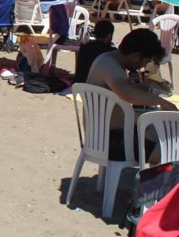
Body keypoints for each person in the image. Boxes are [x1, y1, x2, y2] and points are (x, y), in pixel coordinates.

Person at [86, 28, 177, 161]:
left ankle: (156, 179)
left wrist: (138, 89)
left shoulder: (109, 60)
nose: (142, 66)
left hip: (104, 136)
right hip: (110, 142)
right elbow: (127, 94)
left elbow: (122, 90)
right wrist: (163, 102)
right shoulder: (110, 65)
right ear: (136, 55)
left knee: (164, 132)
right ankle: (159, 180)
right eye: (145, 61)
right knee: (172, 152)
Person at [73, 19, 115, 84]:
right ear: (109, 35)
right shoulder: (112, 52)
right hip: (100, 88)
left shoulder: (85, 48)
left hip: (81, 85)